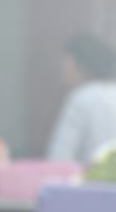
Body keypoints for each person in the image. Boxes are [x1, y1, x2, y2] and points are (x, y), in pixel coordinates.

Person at [47, 31, 116, 166]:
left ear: (73, 63)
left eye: (65, 64)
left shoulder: (81, 99)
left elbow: (59, 159)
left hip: (90, 184)